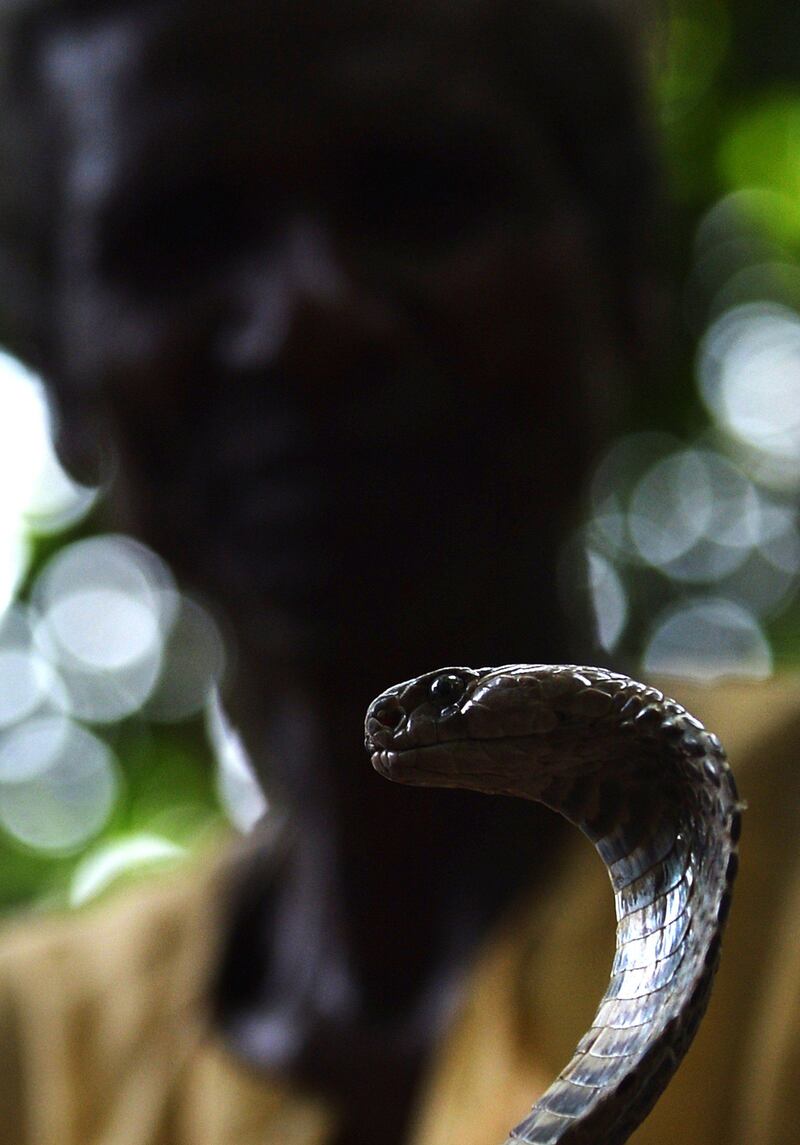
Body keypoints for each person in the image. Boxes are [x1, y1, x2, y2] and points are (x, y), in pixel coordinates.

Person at [0, 2, 797, 1144]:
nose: (309, 321)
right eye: (180, 237)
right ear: (72, 384)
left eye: (420, 196)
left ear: (622, 274)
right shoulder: (29, 1049)